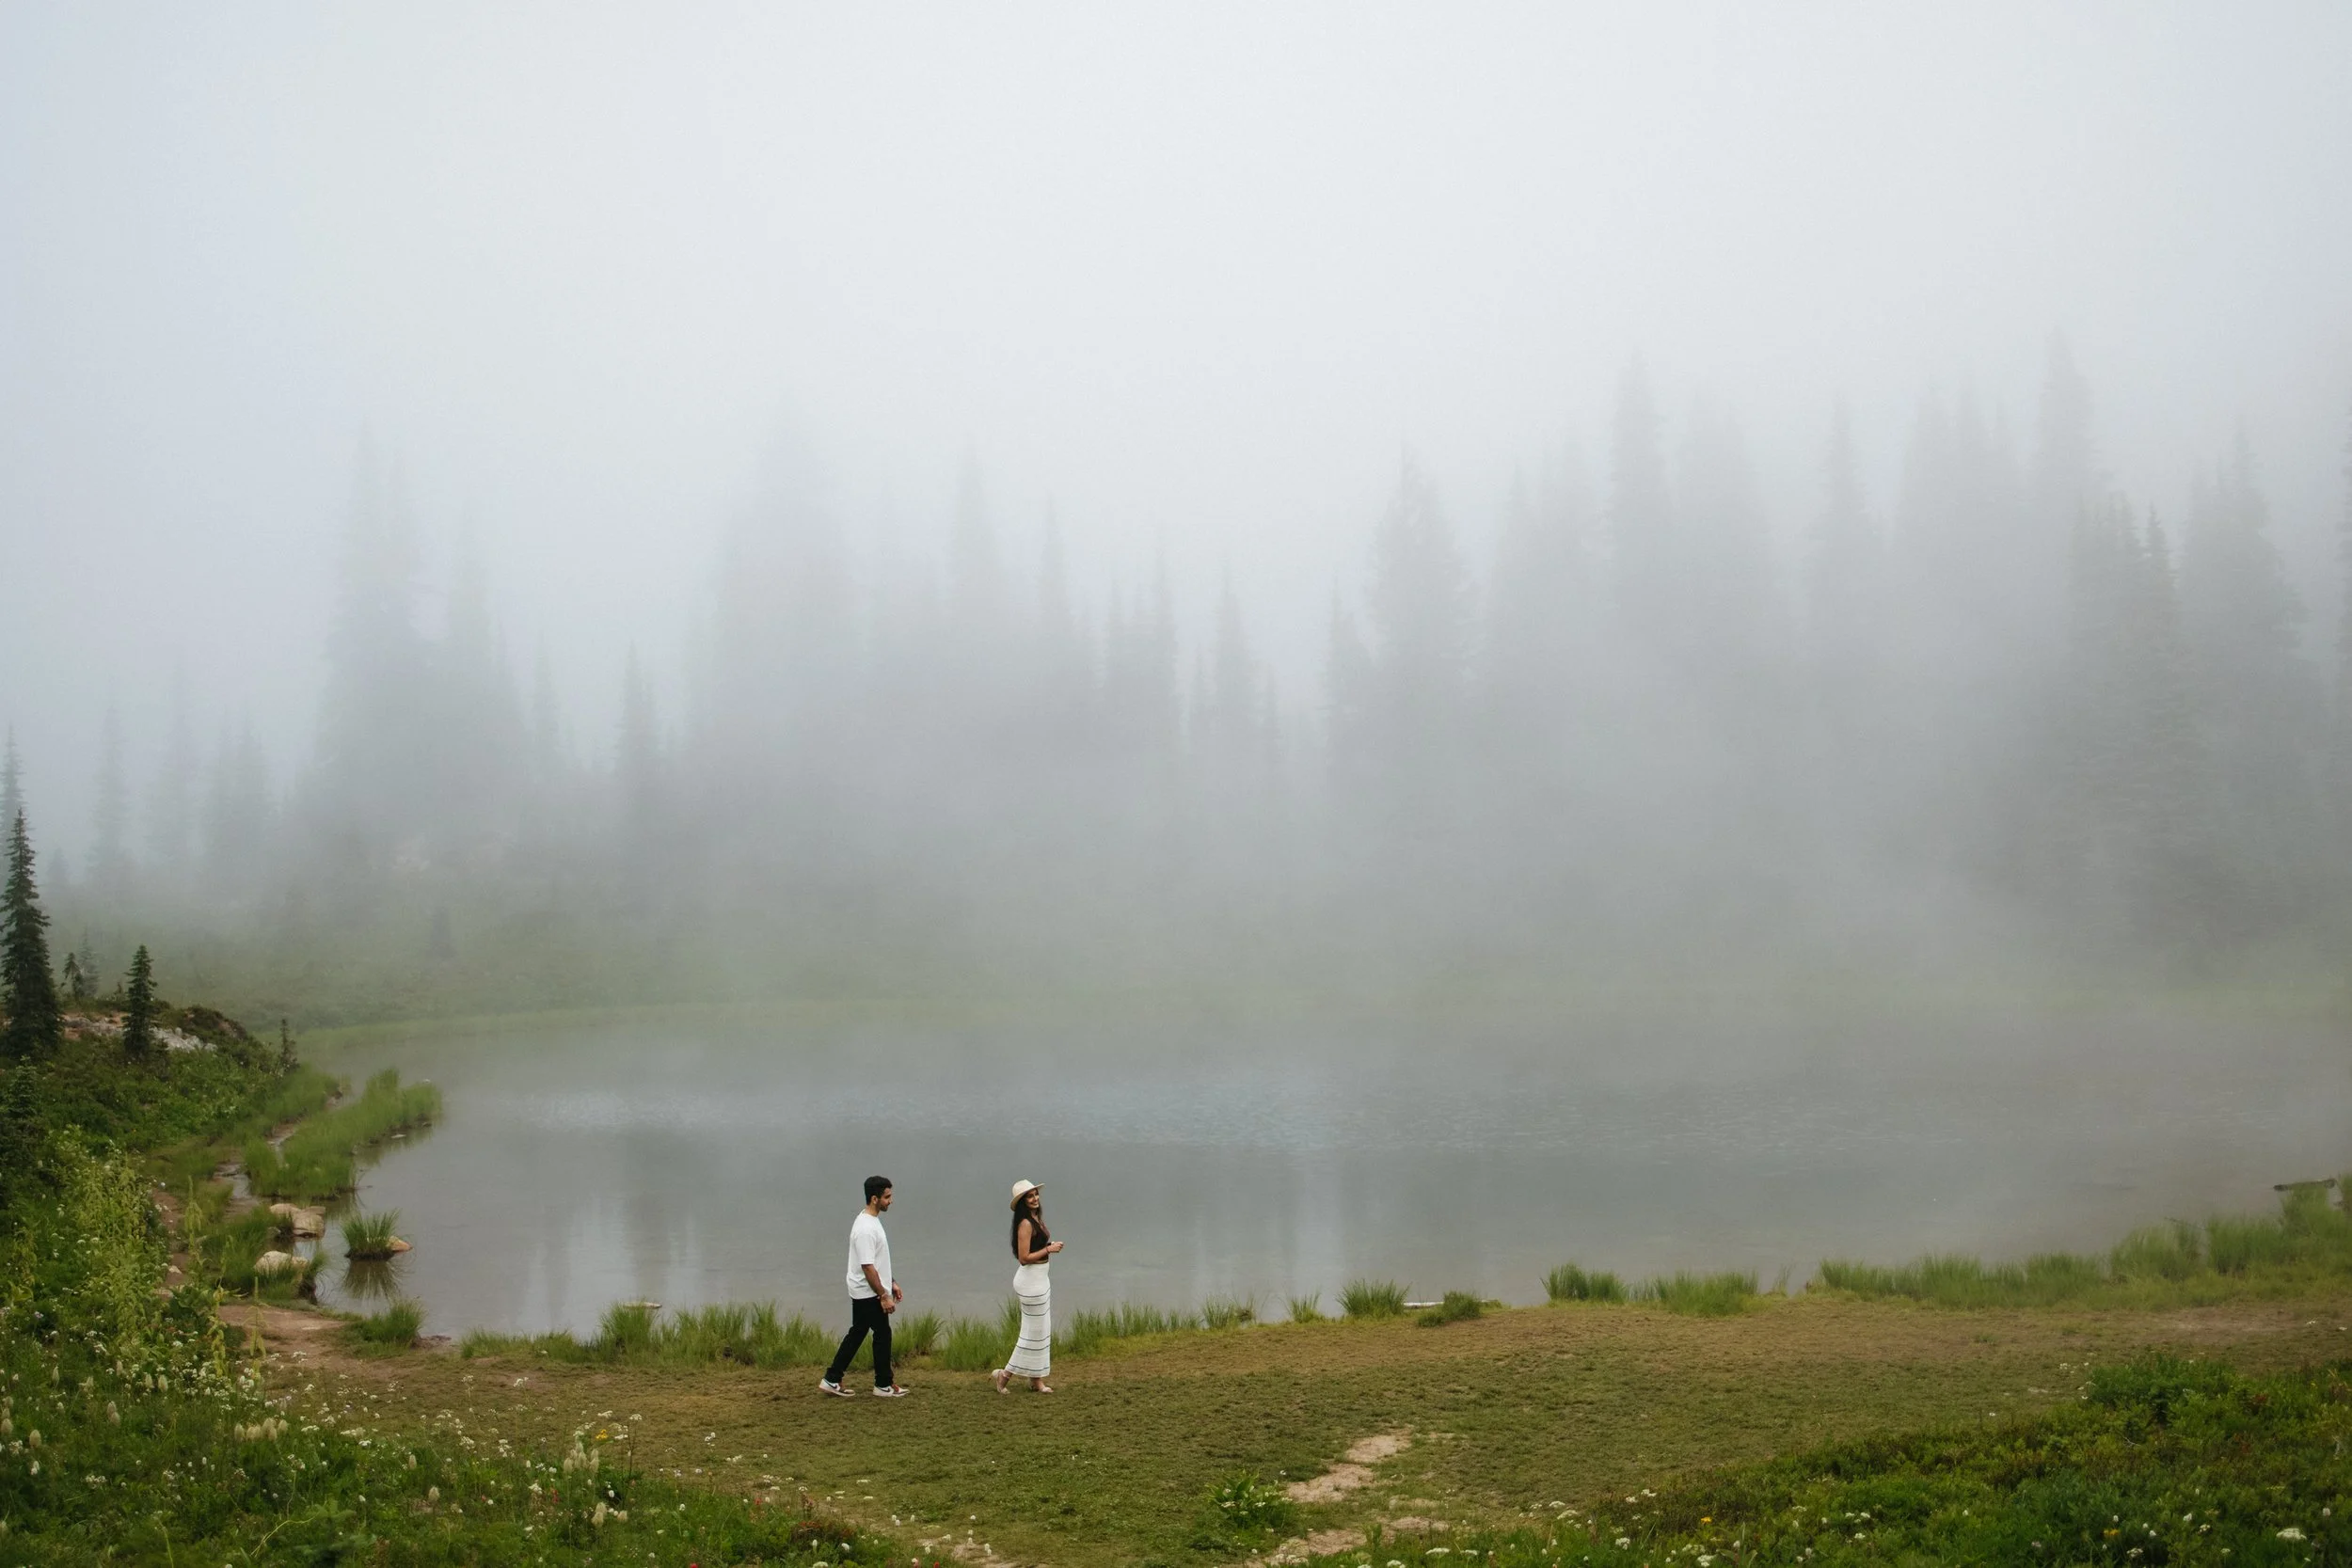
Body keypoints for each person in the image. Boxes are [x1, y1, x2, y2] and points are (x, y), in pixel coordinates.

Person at [820, 1174, 908, 1398]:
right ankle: (883, 1385)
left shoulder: (870, 1221)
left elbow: (877, 1261)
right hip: (868, 1292)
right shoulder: (866, 1229)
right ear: (874, 1198)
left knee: (858, 1332)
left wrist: (892, 1282)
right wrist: (883, 1295)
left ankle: (832, 1378)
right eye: (887, 1197)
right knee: (882, 1334)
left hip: (866, 1290)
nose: (891, 1200)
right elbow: (868, 1267)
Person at [993, 1178, 1061, 1394]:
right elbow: (1024, 1257)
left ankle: (1036, 1380)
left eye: (1035, 1195)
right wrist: (1048, 1250)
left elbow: (1036, 1246)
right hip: (1030, 1281)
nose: (1035, 1199)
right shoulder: (1024, 1223)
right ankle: (1004, 1376)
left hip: (1041, 1279)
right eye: (1030, 1196)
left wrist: (1047, 1246)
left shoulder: (1035, 1218)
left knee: (1041, 1331)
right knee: (1031, 1333)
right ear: (1022, 1201)